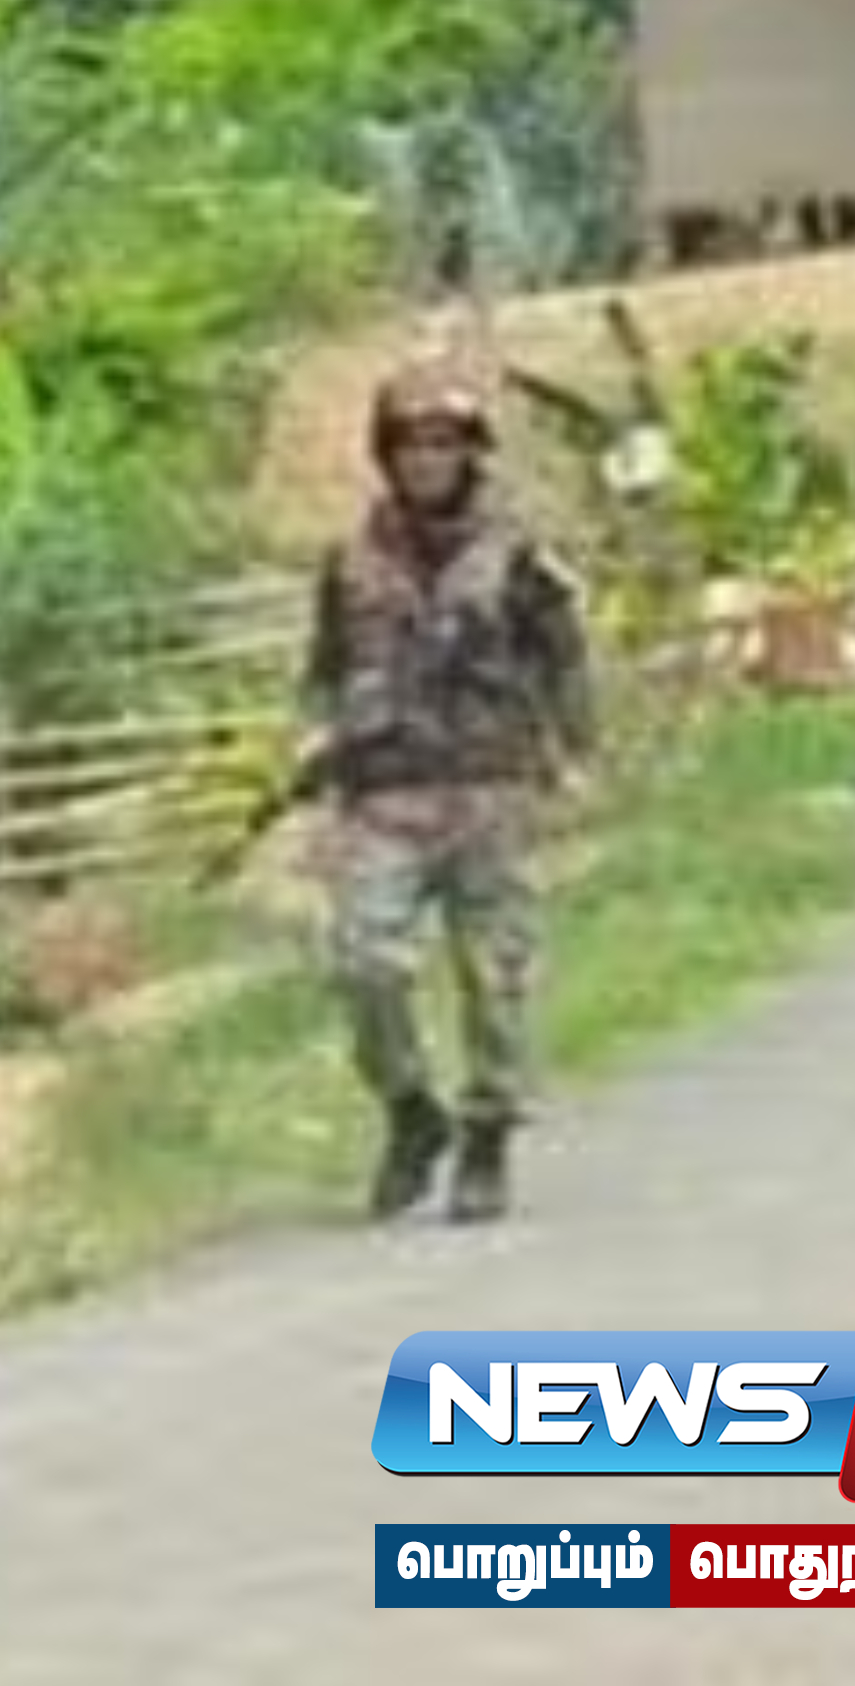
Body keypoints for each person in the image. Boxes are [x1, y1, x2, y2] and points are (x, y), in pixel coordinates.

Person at [297, 355, 597, 1223]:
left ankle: (487, 1132)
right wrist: (312, 742)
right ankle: (410, 1108)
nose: (427, 459)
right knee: (364, 964)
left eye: (444, 443)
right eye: (410, 444)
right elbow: (324, 668)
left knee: (495, 978)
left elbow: (564, 656)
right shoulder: (351, 560)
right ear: (385, 453)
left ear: (472, 452)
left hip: (490, 788)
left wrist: (575, 752)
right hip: (384, 794)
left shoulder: (518, 555)